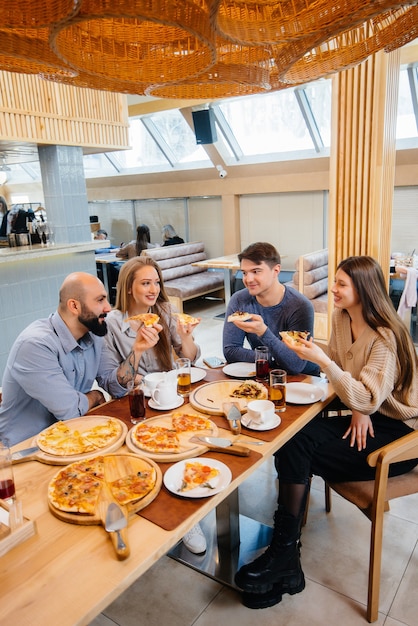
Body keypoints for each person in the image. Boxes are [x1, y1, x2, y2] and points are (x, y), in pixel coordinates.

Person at [234, 255, 418, 609]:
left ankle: (285, 556)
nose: (333, 288)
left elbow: (359, 387)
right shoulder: (341, 317)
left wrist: (355, 398)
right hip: (370, 412)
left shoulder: (385, 336)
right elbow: (350, 378)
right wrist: (356, 404)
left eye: (342, 284)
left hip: (400, 434)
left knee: (296, 446)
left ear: (364, 290)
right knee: (292, 431)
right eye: (335, 281)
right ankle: (286, 555)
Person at [104, 256, 207, 554]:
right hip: (137, 405)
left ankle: (187, 512)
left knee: (194, 441)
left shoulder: (162, 310)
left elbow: (189, 357)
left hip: (171, 397)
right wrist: (137, 348)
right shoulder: (111, 324)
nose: (153, 289)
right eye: (145, 283)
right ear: (128, 288)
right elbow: (114, 384)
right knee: (159, 454)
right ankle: (174, 516)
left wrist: (186, 337)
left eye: (156, 282)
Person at [0, 273, 136, 447]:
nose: (108, 308)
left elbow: (116, 388)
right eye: (100, 300)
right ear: (74, 306)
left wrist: (137, 350)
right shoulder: (35, 345)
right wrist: (95, 395)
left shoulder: (94, 334)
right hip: (23, 450)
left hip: (72, 438)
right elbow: (70, 410)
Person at [223, 242, 319, 375]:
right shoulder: (239, 300)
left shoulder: (300, 306)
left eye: (256, 271)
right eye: (244, 273)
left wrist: (263, 332)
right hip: (265, 373)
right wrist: (275, 359)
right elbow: (231, 351)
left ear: (276, 270)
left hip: (304, 379)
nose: (248, 279)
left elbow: (295, 365)